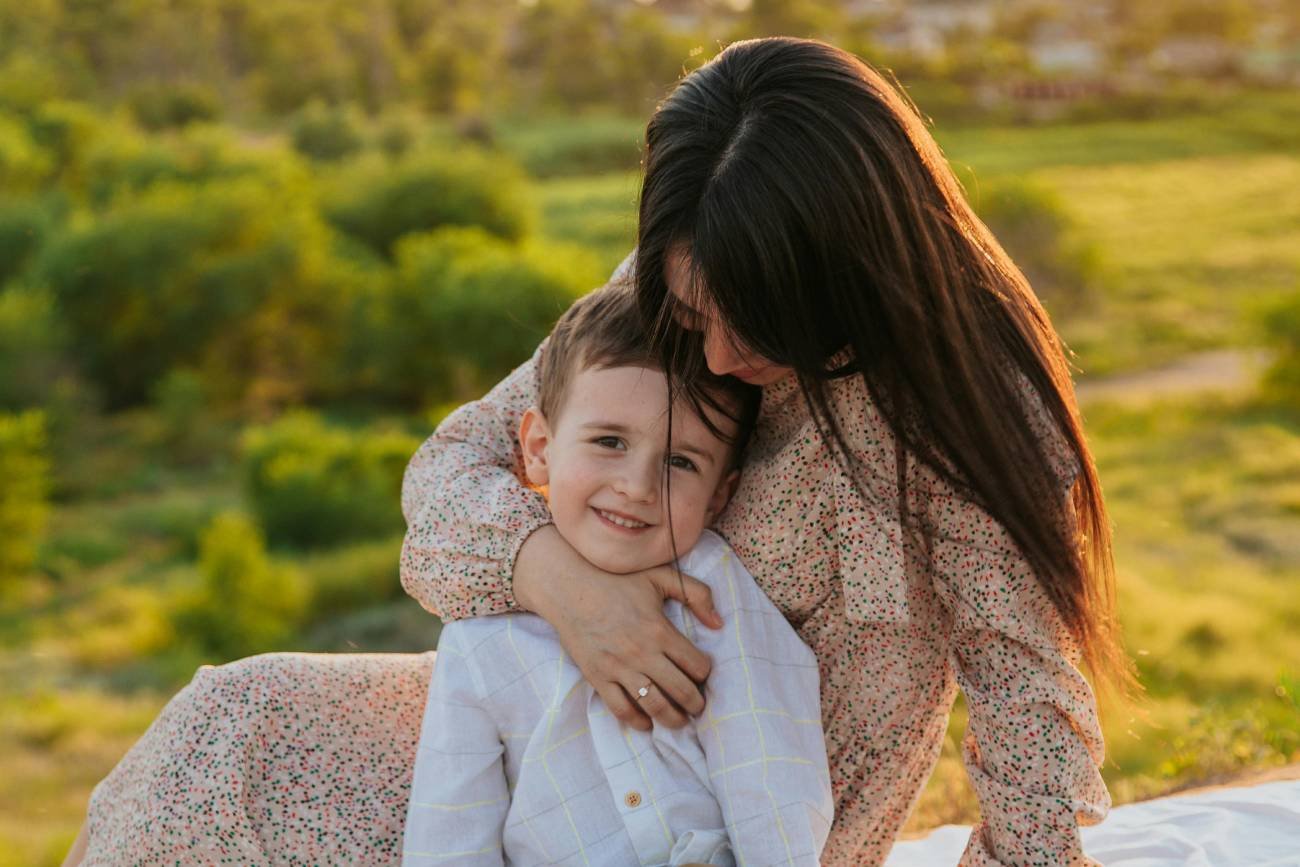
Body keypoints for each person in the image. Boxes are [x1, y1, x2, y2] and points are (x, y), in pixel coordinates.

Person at [71, 36, 1126, 867]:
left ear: (846, 265)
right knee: (232, 722)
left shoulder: (971, 418)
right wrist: (567, 589)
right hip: (540, 740)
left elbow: (1033, 715)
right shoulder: (694, 258)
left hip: (726, 823)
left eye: (754, 322)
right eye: (693, 310)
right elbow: (447, 480)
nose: (713, 352)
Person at [402, 285, 832, 865]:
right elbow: (451, 830)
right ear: (538, 447)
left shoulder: (714, 590)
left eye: (681, 462)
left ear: (718, 496)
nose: (637, 486)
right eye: (609, 442)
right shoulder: (476, 642)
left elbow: (771, 775)